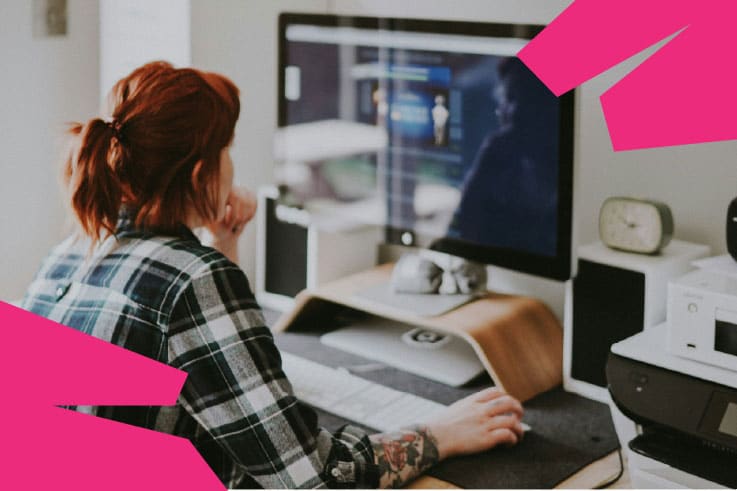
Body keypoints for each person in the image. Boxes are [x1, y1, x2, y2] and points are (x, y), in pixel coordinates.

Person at [22, 61, 524, 489]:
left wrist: (223, 244)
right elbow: (311, 478)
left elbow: (217, 375)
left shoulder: (69, 254)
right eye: (227, 150)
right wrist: (440, 434)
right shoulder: (192, 280)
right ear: (201, 175)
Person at [449, 57, 560, 256]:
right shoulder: (498, 161)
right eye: (507, 98)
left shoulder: (562, 176)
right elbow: (460, 235)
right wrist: (484, 168)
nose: (510, 111)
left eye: (521, 98)